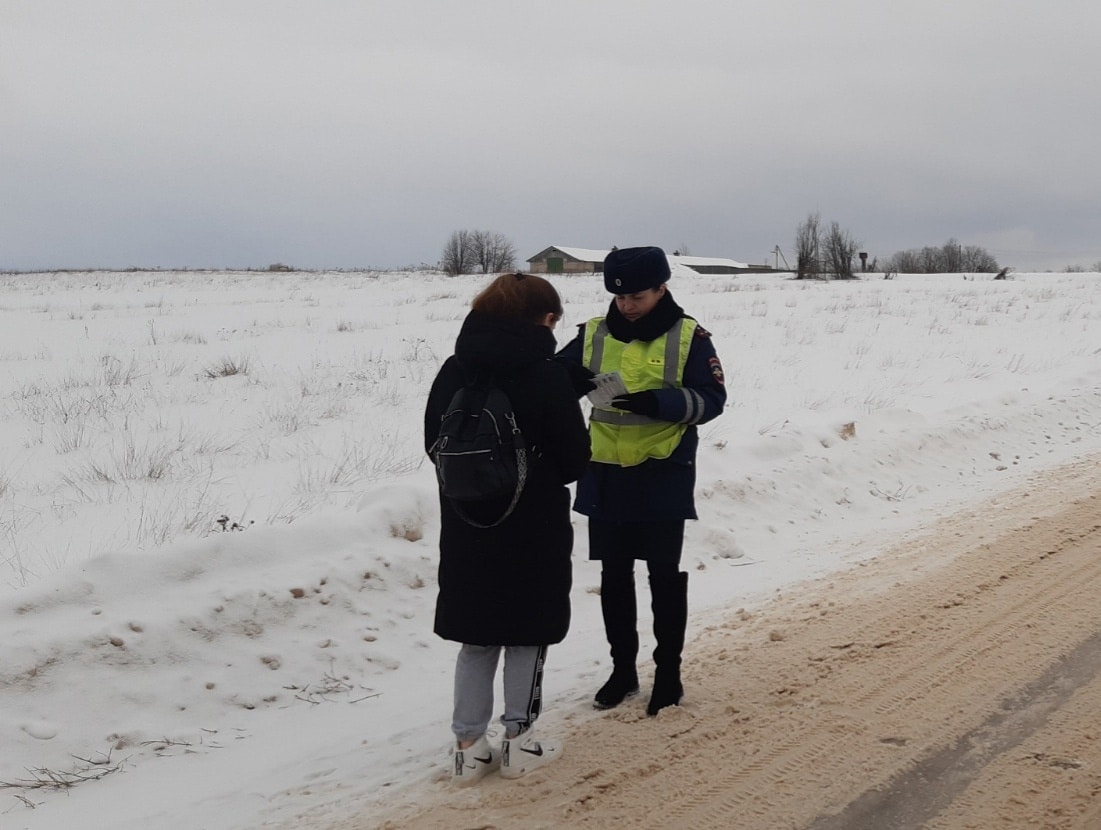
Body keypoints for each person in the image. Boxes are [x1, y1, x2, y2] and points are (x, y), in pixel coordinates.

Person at [424, 272, 591, 785]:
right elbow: (573, 461)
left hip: (466, 518)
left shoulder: (455, 368)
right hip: (532, 521)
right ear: (543, 318)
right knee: (526, 634)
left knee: (475, 637)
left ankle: (468, 748)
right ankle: (520, 742)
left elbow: (433, 441)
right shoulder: (544, 374)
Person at [556, 246, 726, 716]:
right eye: (620, 296)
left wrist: (659, 404)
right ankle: (622, 670)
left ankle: (668, 673)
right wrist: (566, 375)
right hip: (606, 473)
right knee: (614, 578)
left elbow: (712, 400)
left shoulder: (691, 336)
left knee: (663, 577)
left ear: (661, 289)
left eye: (637, 296)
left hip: (662, 471)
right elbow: (557, 383)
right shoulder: (592, 332)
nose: (627, 305)